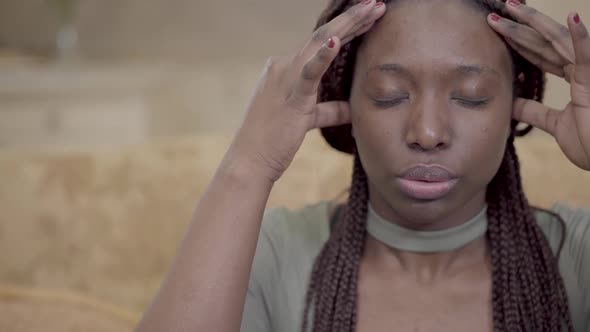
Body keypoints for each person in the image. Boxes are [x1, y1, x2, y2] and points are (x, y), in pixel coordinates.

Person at [136, 0, 590, 331]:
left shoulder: (577, 255)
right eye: (388, 94)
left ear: (516, 103)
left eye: (470, 95)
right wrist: (247, 167)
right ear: (346, 102)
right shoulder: (274, 254)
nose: (427, 132)